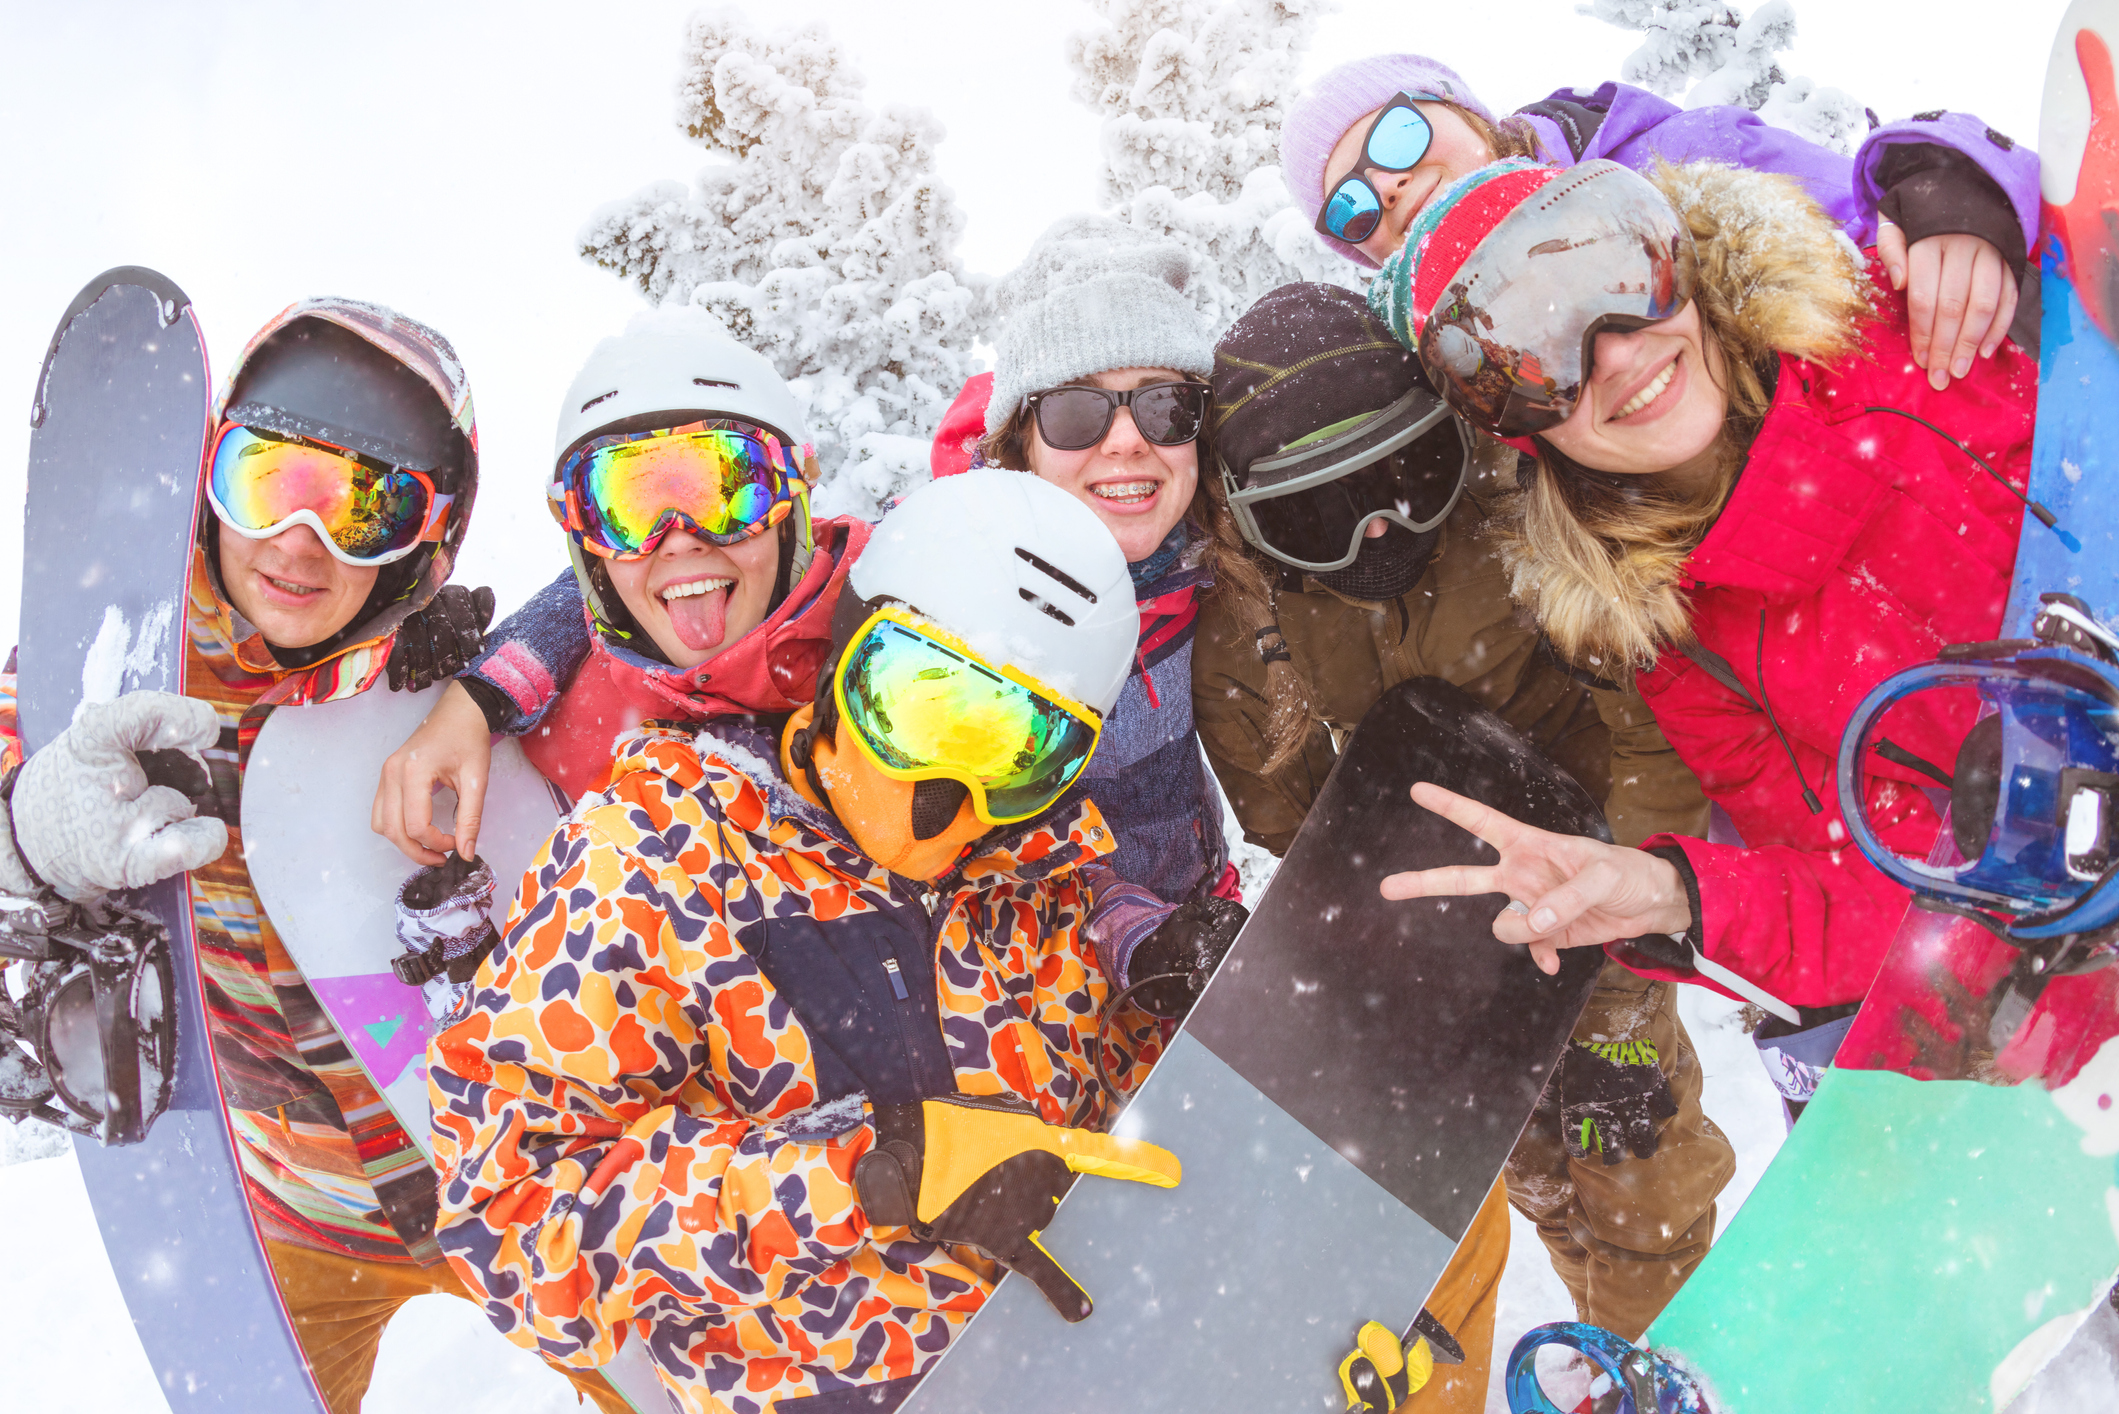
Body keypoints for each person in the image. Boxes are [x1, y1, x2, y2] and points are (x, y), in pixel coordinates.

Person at [429, 470, 1182, 1412]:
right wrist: (868, 1175)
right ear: (844, 661)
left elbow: (1125, 1134)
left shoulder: (1037, 871)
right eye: (915, 703)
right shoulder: (665, 858)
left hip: (1097, 1370)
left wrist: (1182, 1016)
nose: (945, 792)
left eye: (1017, 748)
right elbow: (510, 1227)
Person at [0, 299, 628, 1413]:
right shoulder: (87, 687)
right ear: (208, 481)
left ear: (427, 544)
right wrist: (22, 830)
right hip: (290, 1223)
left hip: (515, 1192)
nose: (302, 542)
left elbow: (639, 611)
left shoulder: (449, 705)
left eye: (364, 508)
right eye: (270, 481)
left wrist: (485, 691)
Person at [1193, 281, 1731, 1401]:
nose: (1373, 532)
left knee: (1637, 1161)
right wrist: (1387, 934)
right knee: (1530, 1168)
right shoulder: (1257, 599)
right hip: (1442, 930)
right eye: (1316, 516)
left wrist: (1618, 927)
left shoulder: (1518, 505)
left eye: (1402, 481)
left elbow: (1650, 723)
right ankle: (1589, 1325)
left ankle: (1659, 1372)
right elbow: (1275, 790)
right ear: (1254, 517)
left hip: (1594, 886)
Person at [1367, 155, 2035, 1042]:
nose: (1614, 353)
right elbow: (1899, 894)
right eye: (1534, 360)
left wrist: (1978, 183)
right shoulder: (1680, 645)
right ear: (1515, 428)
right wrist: (1677, 894)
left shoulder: (1918, 322)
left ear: (1674, 254)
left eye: (1620, 278)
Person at [372, 306, 869, 860]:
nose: (678, 538)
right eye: (625, 511)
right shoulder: (579, 730)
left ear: (796, 494)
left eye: (728, 491)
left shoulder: (893, 630)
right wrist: (474, 695)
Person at [1280, 53, 2040, 392]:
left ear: (1462, 108)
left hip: (1962, 400)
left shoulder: (1671, 153)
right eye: (1349, 204)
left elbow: (1865, 207)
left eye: (1396, 135)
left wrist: (1949, 190)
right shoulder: (1461, 369)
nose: (1388, 184)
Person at [961, 214, 1248, 1016]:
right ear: (1019, 443)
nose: (1125, 442)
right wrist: (1129, 927)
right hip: (1043, 996)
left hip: (1192, 939)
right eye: (1078, 413)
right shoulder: (959, 609)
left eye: (1164, 408)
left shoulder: (1213, 564)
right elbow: (983, 843)